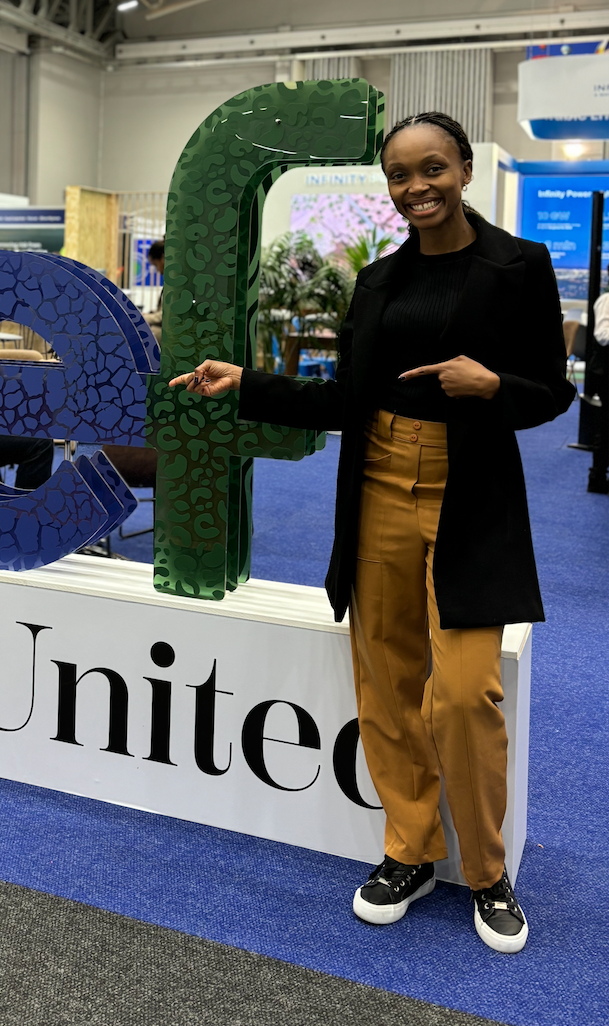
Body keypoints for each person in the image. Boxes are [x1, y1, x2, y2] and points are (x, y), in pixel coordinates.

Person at [169, 112, 574, 955]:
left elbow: (551, 391)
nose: (416, 186)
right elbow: (346, 402)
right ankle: (410, 848)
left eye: (432, 168)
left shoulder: (518, 265)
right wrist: (250, 383)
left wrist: (491, 383)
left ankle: (489, 872)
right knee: (386, 681)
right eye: (398, 174)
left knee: (465, 690)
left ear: (463, 169)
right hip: (380, 484)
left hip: (471, 492)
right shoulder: (379, 282)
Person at [588, 288, 609, 493]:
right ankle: (597, 477)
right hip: (606, 373)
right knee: (606, 427)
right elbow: (602, 336)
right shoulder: (606, 300)